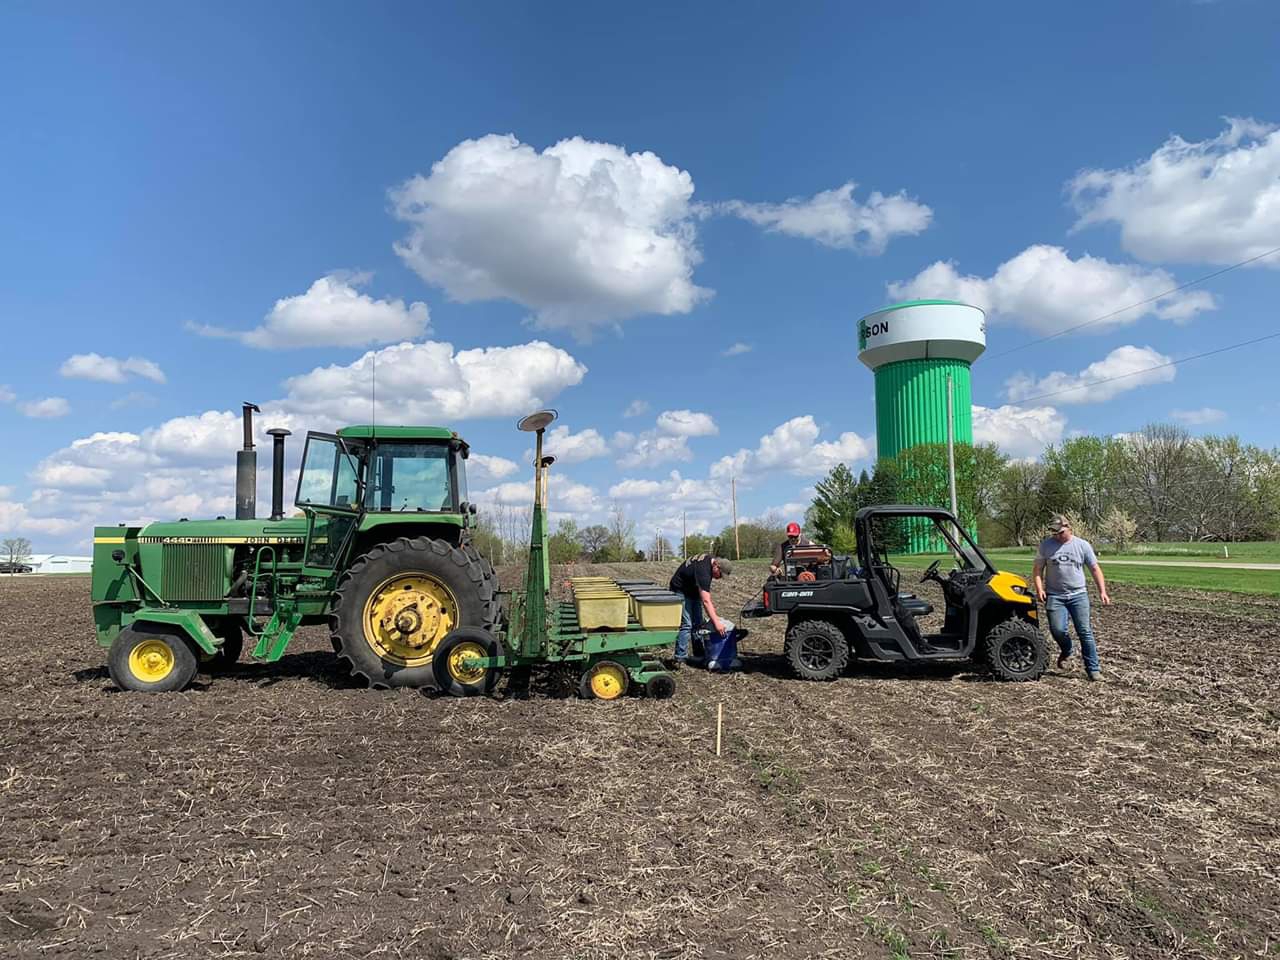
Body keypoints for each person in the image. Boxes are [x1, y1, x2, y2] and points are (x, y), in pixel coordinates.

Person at [1033, 515, 1111, 681]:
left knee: (1085, 631)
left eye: (1061, 532)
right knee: (1057, 629)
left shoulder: (1082, 545)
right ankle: (1067, 648)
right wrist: (1039, 589)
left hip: (1078, 595)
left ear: (1069, 528)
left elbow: (1095, 569)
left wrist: (1102, 591)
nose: (1058, 536)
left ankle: (1093, 669)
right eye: (1055, 533)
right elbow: (1038, 569)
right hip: (1055, 595)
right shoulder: (1046, 546)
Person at [667, 553, 733, 667]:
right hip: (680, 589)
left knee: (698, 623)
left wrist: (715, 618)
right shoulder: (703, 571)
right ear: (716, 566)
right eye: (720, 574)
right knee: (687, 624)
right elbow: (706, 601)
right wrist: (716, 623)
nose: (719, 577)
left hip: (693, 590)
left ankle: (699, 655)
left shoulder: (711, 562)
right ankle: (679, 658)